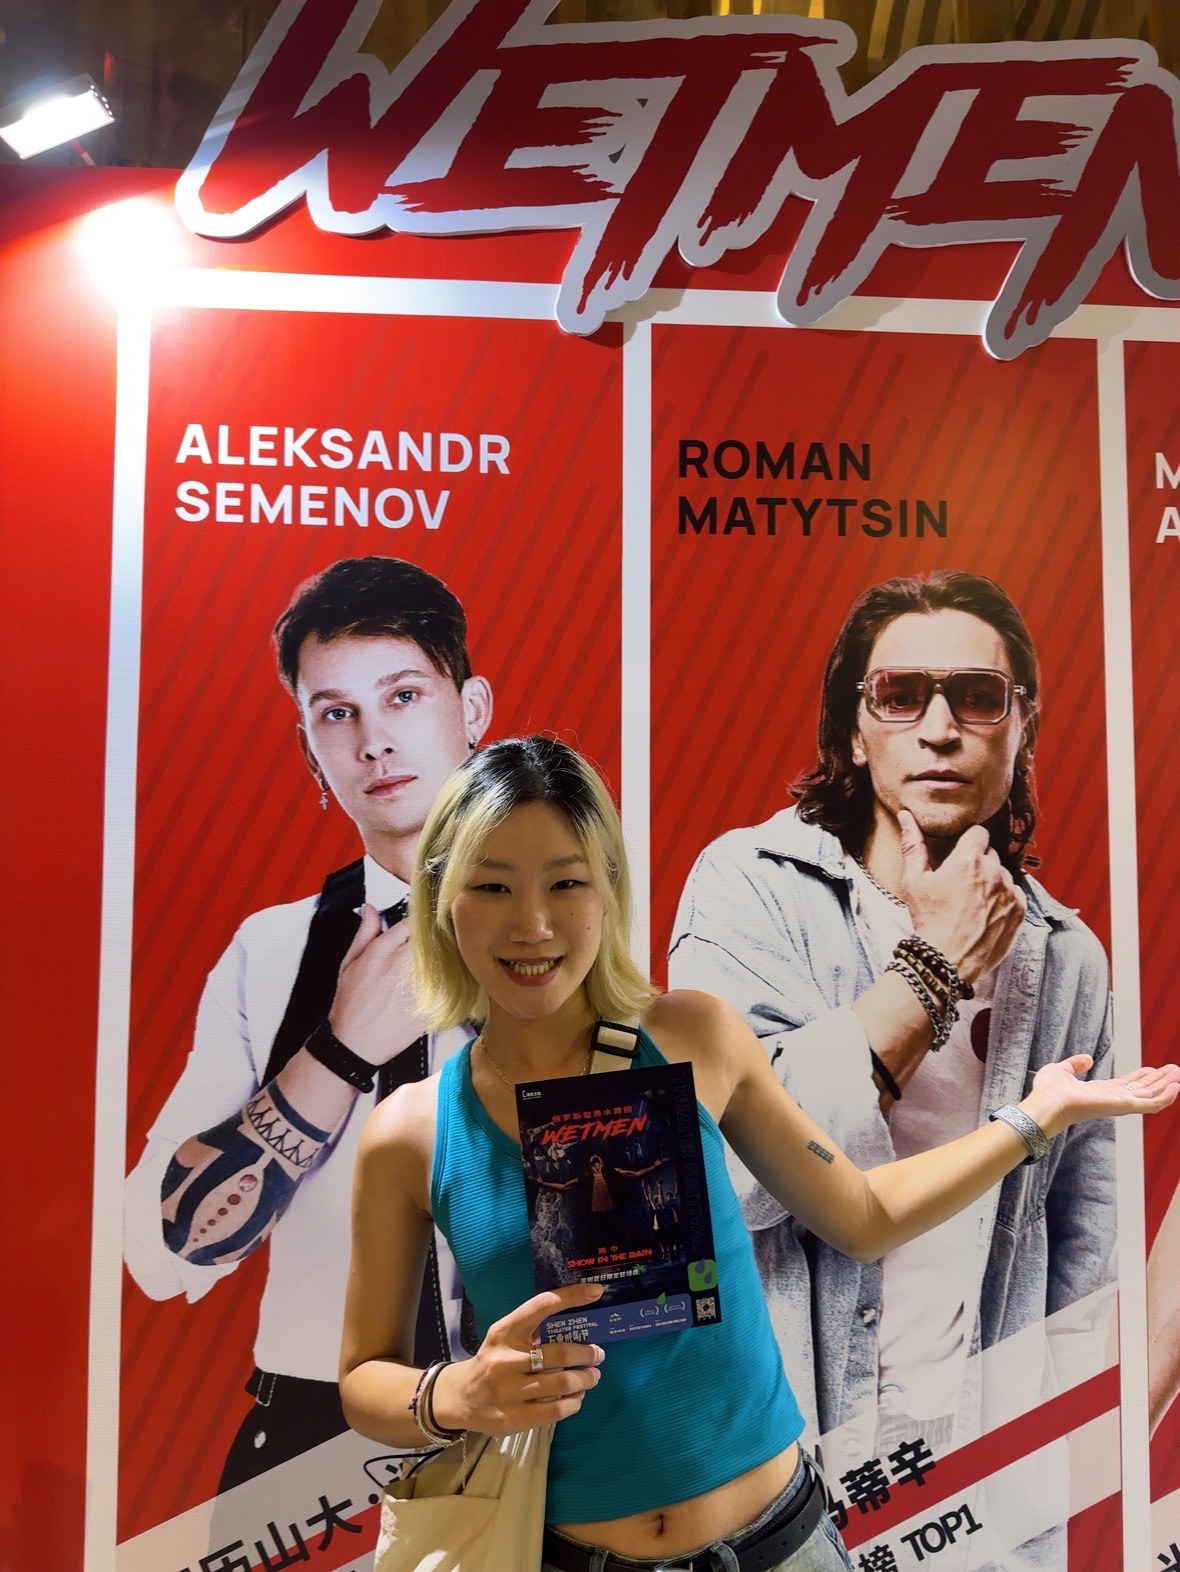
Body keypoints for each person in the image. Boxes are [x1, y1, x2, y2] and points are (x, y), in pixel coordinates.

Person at [338, 735, 1178, 1572]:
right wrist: (456, 1394)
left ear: (608, 891)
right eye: (492, 886)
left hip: (783, 1546)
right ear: (441, 897)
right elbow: (363, 1376)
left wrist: (1033, 1118)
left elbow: (862, 1215)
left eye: (566, 882)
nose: (533, 924)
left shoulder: (692, 1038)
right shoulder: (413, 1131)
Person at [668, 572, 1120, 1483]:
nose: (941, 729)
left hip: (982, 1466)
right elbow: (727, 1177)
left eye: (978, 697)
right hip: (783, 1453)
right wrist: (934, 967)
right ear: (853, 729)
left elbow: (1085, 1246)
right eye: (901, 694)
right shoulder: (750, 887)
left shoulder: (1068, 955)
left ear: (1022, 728)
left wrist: (1049, 1476)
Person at [123, 555, 492, 1489]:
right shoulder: (272, 951)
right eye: (336, 713)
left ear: (472, 710)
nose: (374, 742)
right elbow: (161, 1252)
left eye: (403, 696)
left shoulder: (576, 933)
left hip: (530, 1421)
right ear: (310, 750)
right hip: (309, 1444)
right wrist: (338, 1051)